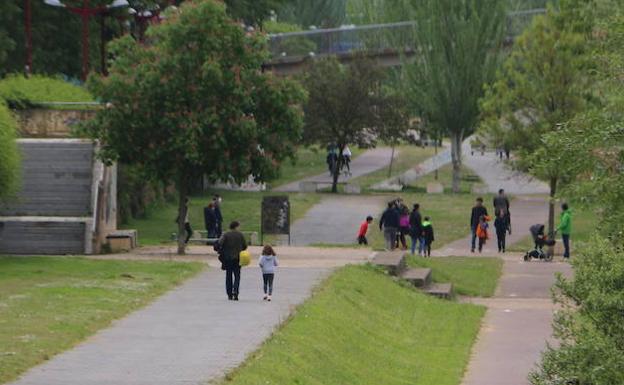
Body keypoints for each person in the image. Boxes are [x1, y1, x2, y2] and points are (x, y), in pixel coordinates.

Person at [217, 221, 247, 301]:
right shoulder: (240, 235)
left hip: (228, 258)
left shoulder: (226, 234)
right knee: (237, 276)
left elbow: (220, 243)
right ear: (236, 226)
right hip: (238, 258)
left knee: (228, 276)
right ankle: (235, 292)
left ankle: (229, 294)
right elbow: (245, 246)